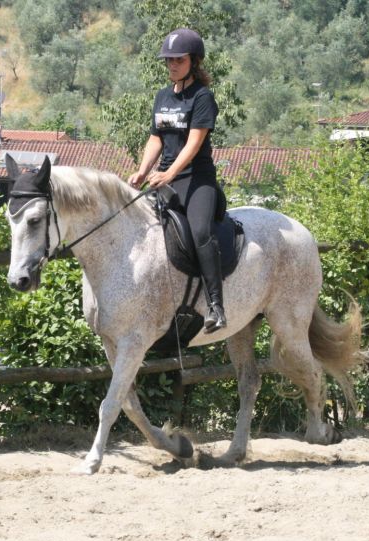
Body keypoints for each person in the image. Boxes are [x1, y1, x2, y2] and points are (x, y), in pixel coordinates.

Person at [127, 27, 227, 333]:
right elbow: (156, 138)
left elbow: (195, 143)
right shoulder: (162, 97)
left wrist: (170, 173)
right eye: (168, 60)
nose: (172, 65)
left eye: (178, 60)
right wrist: (143, 171)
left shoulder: (202, 97)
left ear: (193, 61)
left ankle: (216, 306)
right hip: (163, 178)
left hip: (196, 179)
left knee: (199, 233)